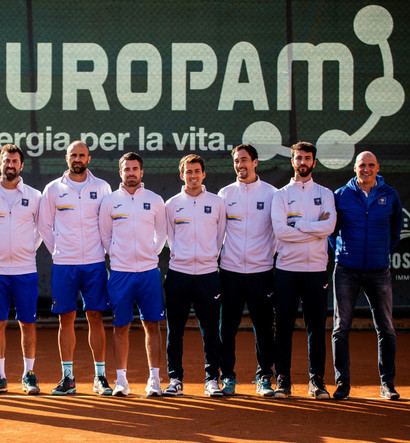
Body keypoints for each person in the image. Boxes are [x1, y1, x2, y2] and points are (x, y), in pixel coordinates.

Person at [38, 141, 113, 396]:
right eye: (73, 155)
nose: (77, 159)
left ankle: (100, 377)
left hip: (94, 263)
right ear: (66, 158)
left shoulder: (102, 187)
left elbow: (107, 224)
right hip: (64, 264)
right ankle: (68, 378)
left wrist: (102, 251)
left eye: (82, 155)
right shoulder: (53, 189)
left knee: (95, 317)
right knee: (65, 318)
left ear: (89, 159)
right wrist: (59, 250)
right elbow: (44, 226)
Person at [330, 151, 402, 400]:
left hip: (378, 271)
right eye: (362, 165)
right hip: (346, 270)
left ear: (377, 167)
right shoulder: (340, 195)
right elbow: (332, 232)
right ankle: (342, 384)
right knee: (341, 328)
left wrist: (380, 254)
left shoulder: (390, 195)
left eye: (371, 165)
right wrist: (344, 253)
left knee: (386, 329)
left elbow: (395, 232)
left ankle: (387, 384)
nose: (367, 169)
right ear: (354, 168)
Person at [0, 144, 42, 395]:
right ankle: (0, 376)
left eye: (14, 161)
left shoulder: (35, 196)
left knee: (28, 323)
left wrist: (28, 250)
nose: (10, 165)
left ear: (21, 166)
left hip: (26, 269)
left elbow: (41, 229)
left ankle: (29, 375)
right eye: (6, 161)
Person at [271, 141, 336, 399]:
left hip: (317, 270)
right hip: (286, 270)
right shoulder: (281, 195)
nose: (303, 162)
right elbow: (280, 232)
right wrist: (313, 228)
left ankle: (316, 382)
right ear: (292, 161)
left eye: (307, 158)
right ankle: (283, 382)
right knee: (283, 327)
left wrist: (298, 225)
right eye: (299, 158)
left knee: (316, 328)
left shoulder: (326, 193)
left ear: (314, 162)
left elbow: (329, 227)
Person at [99, 152, 167, 397]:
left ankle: (155, 380)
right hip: (120, 274)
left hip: (148, 273)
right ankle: (121, 380)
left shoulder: (155, 200)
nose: (131, 173)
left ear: (142, 172)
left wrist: (151, 254)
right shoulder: (109, 201)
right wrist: (117, 254)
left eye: (135, 168)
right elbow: (105, 236)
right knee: (121, 327)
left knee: (152, 325)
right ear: (120, 172)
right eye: (127, 169)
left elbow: (162, 234)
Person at [163, 154, 226, 397]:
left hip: (208, 275)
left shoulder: (217, 203)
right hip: (178, 274)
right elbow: (169, 238)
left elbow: (220, 236)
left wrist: (208, 257)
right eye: (188, 171)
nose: (193, 175)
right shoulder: (171, 204)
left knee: (210, 329)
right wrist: (183, 256)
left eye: (197, 171)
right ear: (182, 175)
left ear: (204, 174)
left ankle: (212, 379)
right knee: (174, 329)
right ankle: (175, 379)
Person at [217, 144, 277, 397]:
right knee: (226, 328)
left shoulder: (272, 193)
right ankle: (228, 377)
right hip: (229, 271)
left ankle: (264, 377)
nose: (240, 165)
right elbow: (218, 231)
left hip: (261, 272)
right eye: (236, 161)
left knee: (263, 327)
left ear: (255, 162)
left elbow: (277, 233)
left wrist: (264, 257)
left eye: (244, 160)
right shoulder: (225, 193)